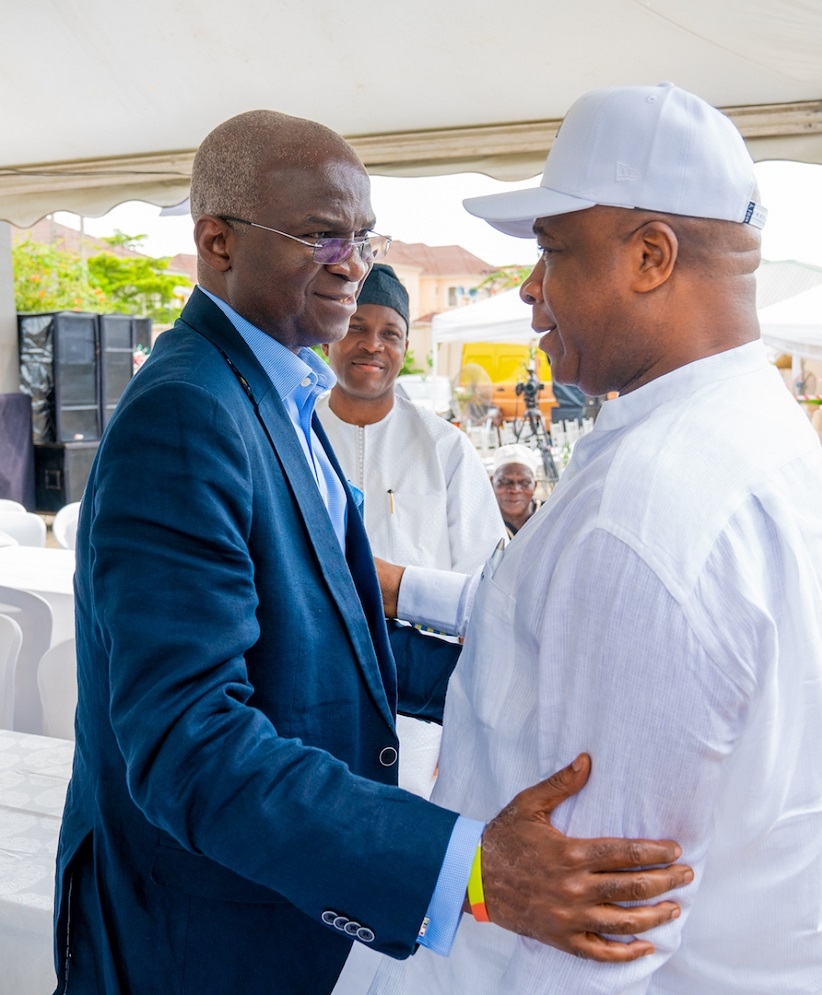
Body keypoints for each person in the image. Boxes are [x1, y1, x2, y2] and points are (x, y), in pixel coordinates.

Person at [51, 108, 693, 995]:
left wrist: (532, 673)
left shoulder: (280, 391)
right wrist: (468, 865)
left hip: (285, 917)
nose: (353, 264)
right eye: (320, 236)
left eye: (361, 234)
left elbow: (335, 639)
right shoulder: (187, 415)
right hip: (199, 939)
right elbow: (190, 743)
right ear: (217, 241)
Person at [369, 82, 822, 994]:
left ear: (649, 256)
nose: (527, 286)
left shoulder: (653, 506)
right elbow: (548, 612)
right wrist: (402, 587)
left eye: (552, 250)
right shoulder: (752, 419)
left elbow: (596, 939)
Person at [316, 262, 505, 799]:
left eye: (389, 333)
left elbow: (483, 583)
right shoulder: (295, 434)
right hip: (314, 689)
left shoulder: (443, 447)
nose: (371, 345)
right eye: (356, 326)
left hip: (416, 708)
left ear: (405, 346)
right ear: (333, 333)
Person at [489, 443, 541, 537]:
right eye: (505, 481)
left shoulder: (549, 514)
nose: (515, 490)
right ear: (492, 482)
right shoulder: (483, 522)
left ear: (535, 485)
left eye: (525, 482)